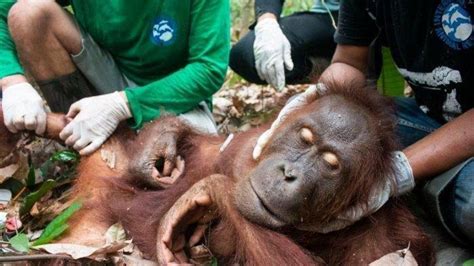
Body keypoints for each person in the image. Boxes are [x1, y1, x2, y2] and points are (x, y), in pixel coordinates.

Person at [254, 0, 474, 246]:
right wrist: (318, 98)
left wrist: (402, 170)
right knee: (344, 140)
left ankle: (426, 199)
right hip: (427, 116)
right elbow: (348, 61)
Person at [0, 0, 230, 157]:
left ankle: (114, 146)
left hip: (174, 97)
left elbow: (208, 69)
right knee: (29, 13)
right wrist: (12, 81)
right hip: (104, 74)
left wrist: (123, 104)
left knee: (193, 161)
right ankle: (78, 139)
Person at [229, 0, 339, 91]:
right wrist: (267, 22)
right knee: (245, 54)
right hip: (329, 17)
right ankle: (324, 71)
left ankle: (347, 73)